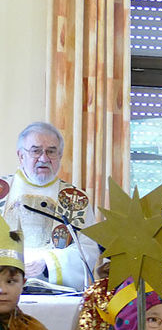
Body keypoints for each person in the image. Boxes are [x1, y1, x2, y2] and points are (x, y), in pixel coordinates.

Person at [0, 122, 98, 289]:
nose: (44, 158)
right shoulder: (3, 190)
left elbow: (88, 249)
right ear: (21, 155)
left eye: (51, 151)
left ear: (59, 156)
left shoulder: (75, 199)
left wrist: (48, 263)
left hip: (55, 293)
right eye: (36, 151)